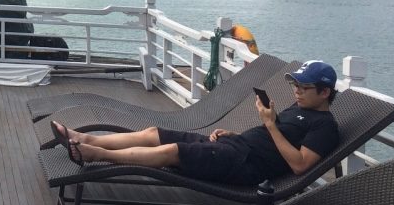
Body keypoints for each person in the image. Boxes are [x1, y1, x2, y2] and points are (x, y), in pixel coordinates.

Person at [51, 60, 340, 186]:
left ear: (324, 92)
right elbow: (271, 139)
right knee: (155, 133)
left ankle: (95, 155)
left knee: (173, 151)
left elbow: (300, 164)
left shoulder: (325, 126)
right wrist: (235, 132)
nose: (296, 91)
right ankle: (87, 138)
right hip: (233, 146)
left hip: (244, 165)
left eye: (303, 87)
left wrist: (271, 125)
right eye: (295, 85)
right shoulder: (299, 107)